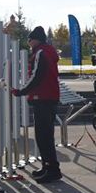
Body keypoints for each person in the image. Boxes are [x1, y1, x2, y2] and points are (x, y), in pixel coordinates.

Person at [12, 26, 62, 183]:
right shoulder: (47, 51)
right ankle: (48, 166)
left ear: (36, 39)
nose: (28, 43)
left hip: (43, 98)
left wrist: (20, 91)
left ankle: (53, 169)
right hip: (48, 97)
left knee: (44, 136)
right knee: (44, 135)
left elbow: (36, 76)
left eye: (29, 40)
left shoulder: (41, 53)